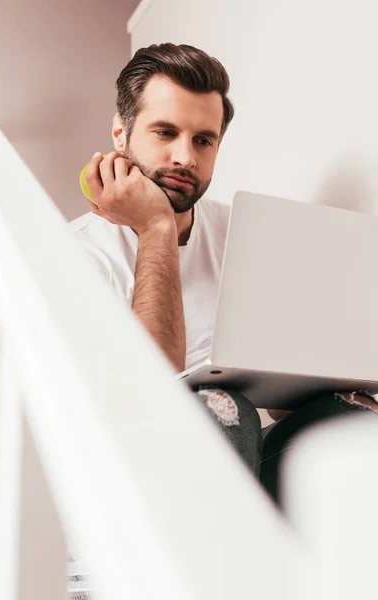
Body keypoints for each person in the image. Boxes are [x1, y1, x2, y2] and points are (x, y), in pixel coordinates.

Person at [69, 43, 377, 505]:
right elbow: (153, 385)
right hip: (132, 490)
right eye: (165, 132)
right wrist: (156, 227)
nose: (185, 158)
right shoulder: (78, 254)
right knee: (221, 406)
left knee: (352, 418)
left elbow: (280, 403)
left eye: (203, 140)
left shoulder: (245, 233)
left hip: (239, 472)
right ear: (120, 134)